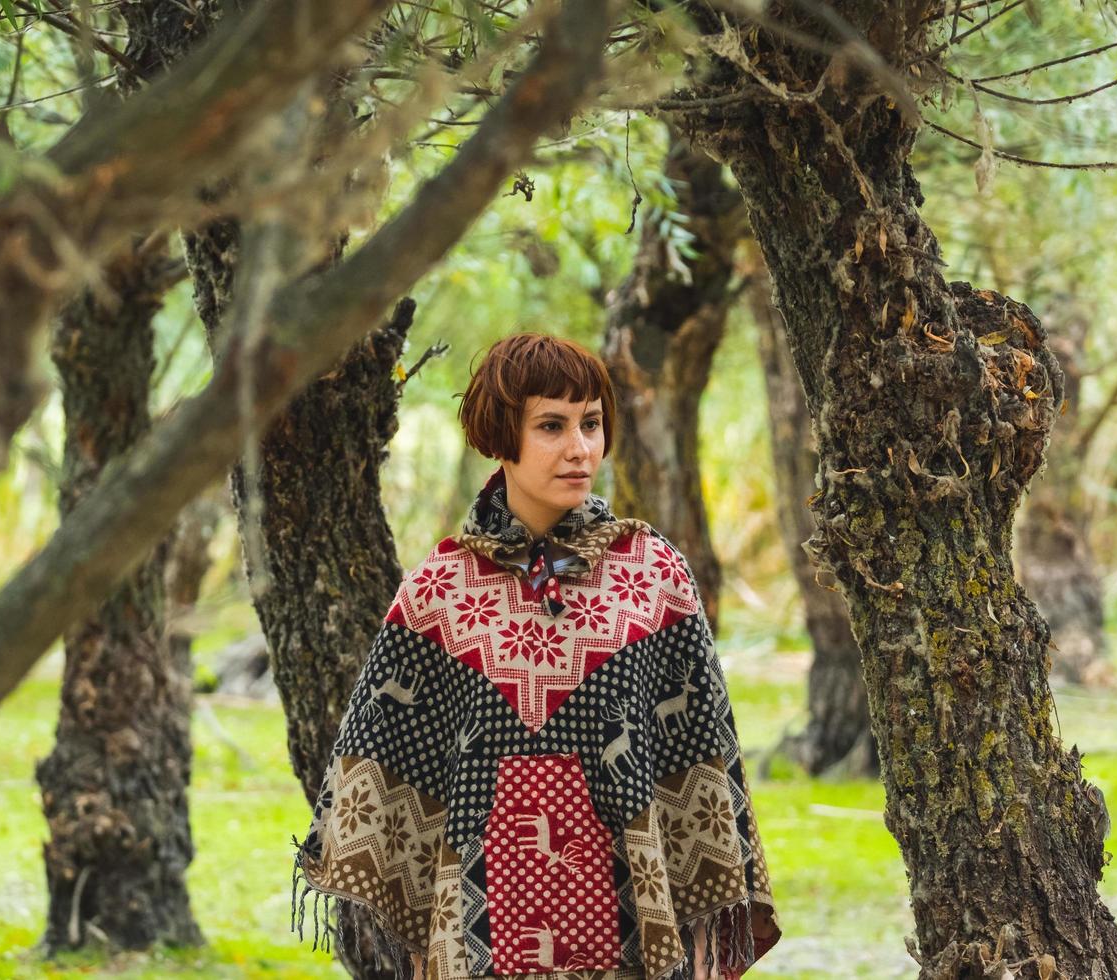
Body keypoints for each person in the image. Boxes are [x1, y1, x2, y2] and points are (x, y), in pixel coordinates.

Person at [291, 333, 780, 979]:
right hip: (477, 929)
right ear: (501, 436)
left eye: (592, 424)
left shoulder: (653, 575)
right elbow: (385, 755)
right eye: (551, 426)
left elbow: (698, 749)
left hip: (630, 916)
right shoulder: (441, 590)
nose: (580, 448)